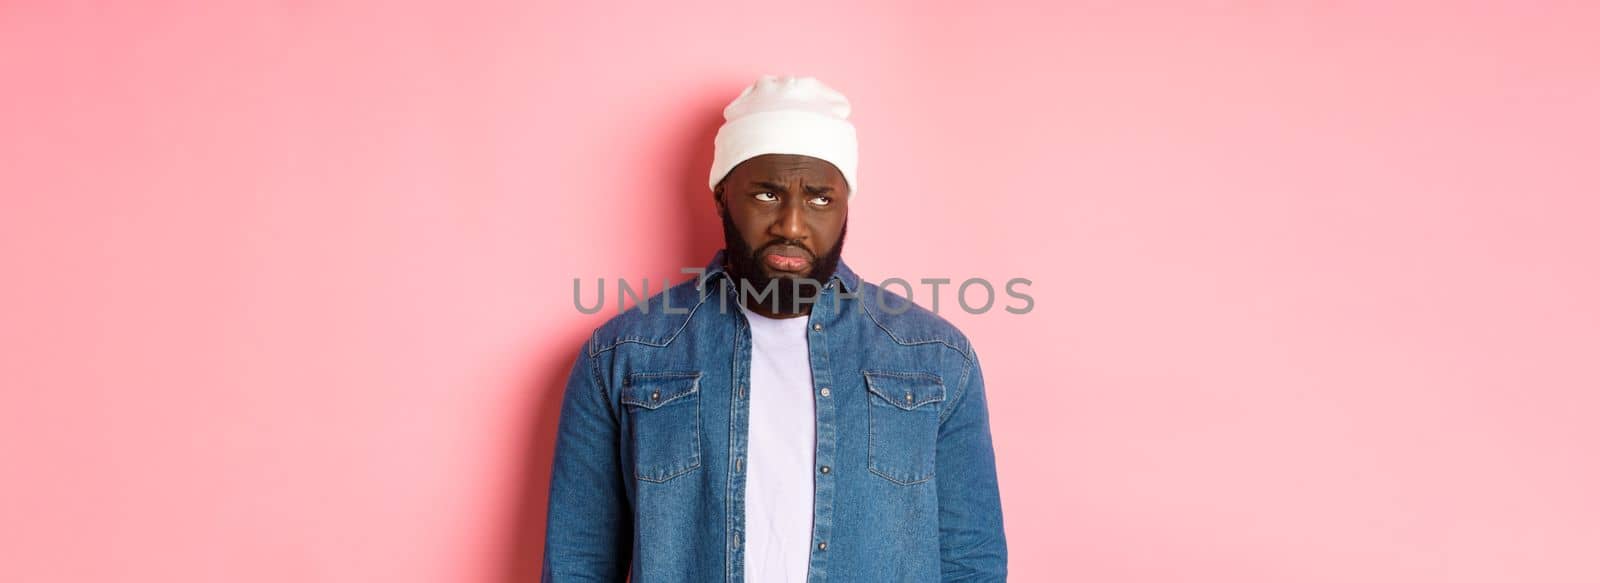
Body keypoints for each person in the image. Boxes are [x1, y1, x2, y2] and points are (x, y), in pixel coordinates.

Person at [542, 75, 1006, 582]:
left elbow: (971, 561)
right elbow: (577, 564)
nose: (791, 224)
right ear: (722, 196)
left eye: (820, 199)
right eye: (766, 194)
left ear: (847, 204)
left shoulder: (934, 359)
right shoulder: (624, 356)